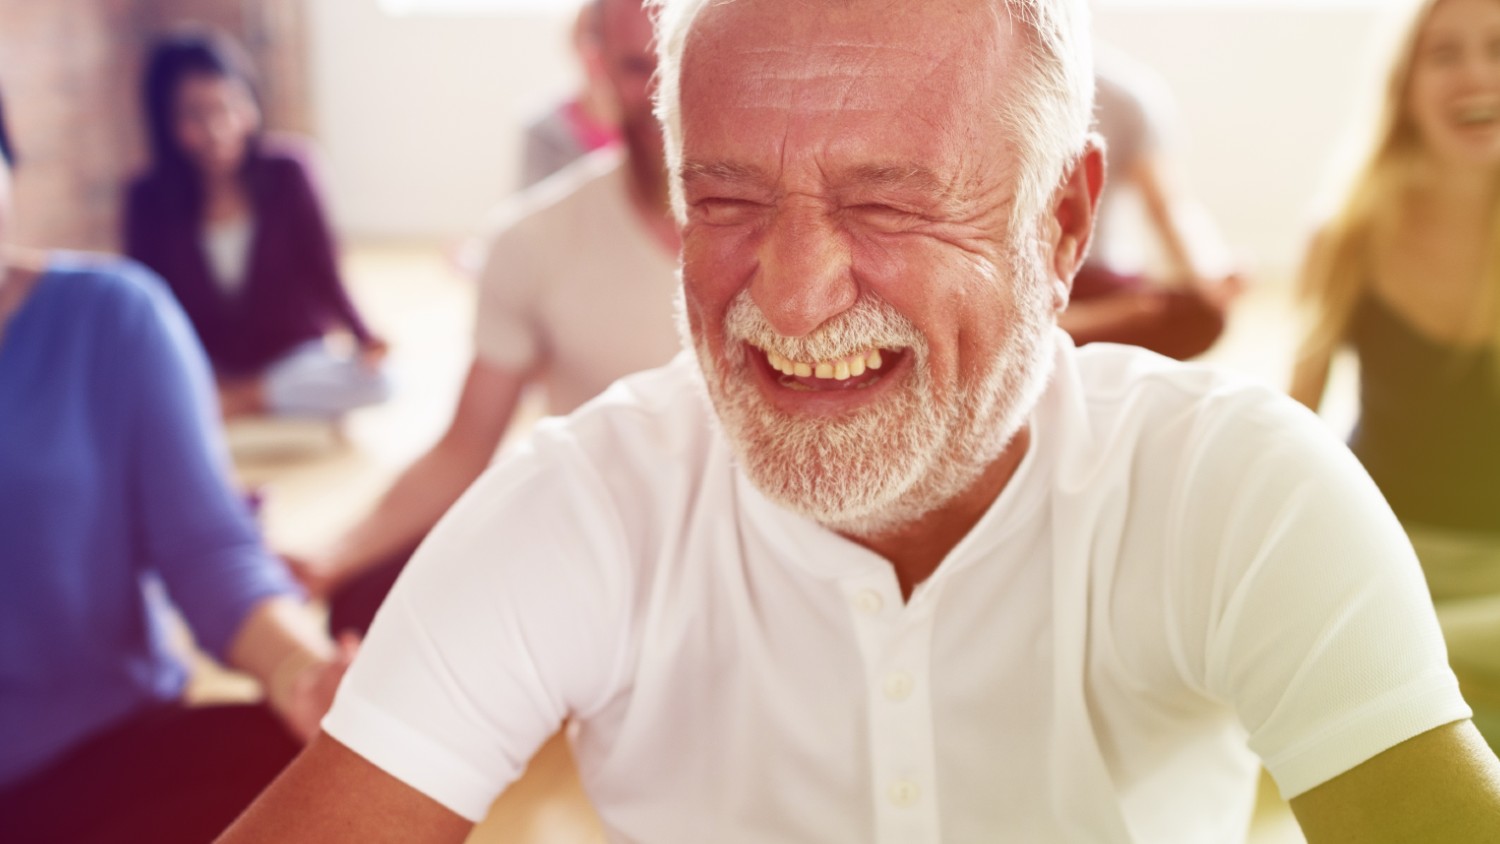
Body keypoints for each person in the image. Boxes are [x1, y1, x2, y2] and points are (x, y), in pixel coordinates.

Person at [224, 0, 1500, 841]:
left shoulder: (1238, 490)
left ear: (1061, 225)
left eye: (888, 205)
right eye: (724, 200)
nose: (787, 294)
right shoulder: (587, 507)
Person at [0, 85, 354, 843]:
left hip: (109, 755)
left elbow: (210, 552)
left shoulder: (112, 316)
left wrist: (303, 674)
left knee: (316, 783)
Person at [292, 0, 680, 637]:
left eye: (681, 62)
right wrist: (330, 557)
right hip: (604, 546)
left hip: (766, 548)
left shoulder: (794, 232)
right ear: (596, 67)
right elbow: (466, 446)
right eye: (640, 67)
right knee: (367, 601)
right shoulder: (531, 242)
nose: (666, 99)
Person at [1290, 0, 1500, 750]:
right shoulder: (1349, 231)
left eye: (1496, 49)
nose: (1476, 74)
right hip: (1384, 557)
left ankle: (1426, 672)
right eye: (1445, 54)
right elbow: (1294, 426)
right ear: (1405, 85)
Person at [124, 28, 390, 418]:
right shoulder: (146, 198)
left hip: (292, 359)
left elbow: (325, 269)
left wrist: (364, 334)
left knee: (383, 382)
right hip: (208, 365)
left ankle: (244, 401)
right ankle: (237, 400)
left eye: (230, 106)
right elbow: (147, 304)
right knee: (137, 394)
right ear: (165, 121)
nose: (219, 129)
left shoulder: (291, 171)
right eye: (195, 115)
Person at [1058, 48, 1245, 360]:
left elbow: (1170, 207)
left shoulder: (1125, 95)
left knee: (1202, 317)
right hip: (1007, 281)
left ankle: (1059, 330)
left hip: (1093, 276)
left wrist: (1208, 274)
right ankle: (1083, 325)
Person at [518, 0, 623, 188]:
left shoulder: (656, 118)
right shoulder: (544, 128)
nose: (596, 55)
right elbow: (529, 205)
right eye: (591, 42)